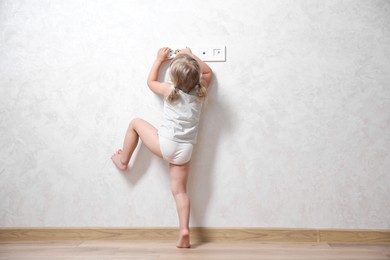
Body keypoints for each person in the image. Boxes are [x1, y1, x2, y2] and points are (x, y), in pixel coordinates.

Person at [111, 47, 212, 248]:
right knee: (180, 191)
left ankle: (123, 161)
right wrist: (191, 56)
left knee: (135, 123)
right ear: (196, 77)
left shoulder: (169, 89)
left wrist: (158, 60)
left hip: (165, 144)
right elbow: (208, 72)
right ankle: (184, 230)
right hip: (185, 150)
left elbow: (150, 82)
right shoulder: (201, 90)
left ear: (174, 78)